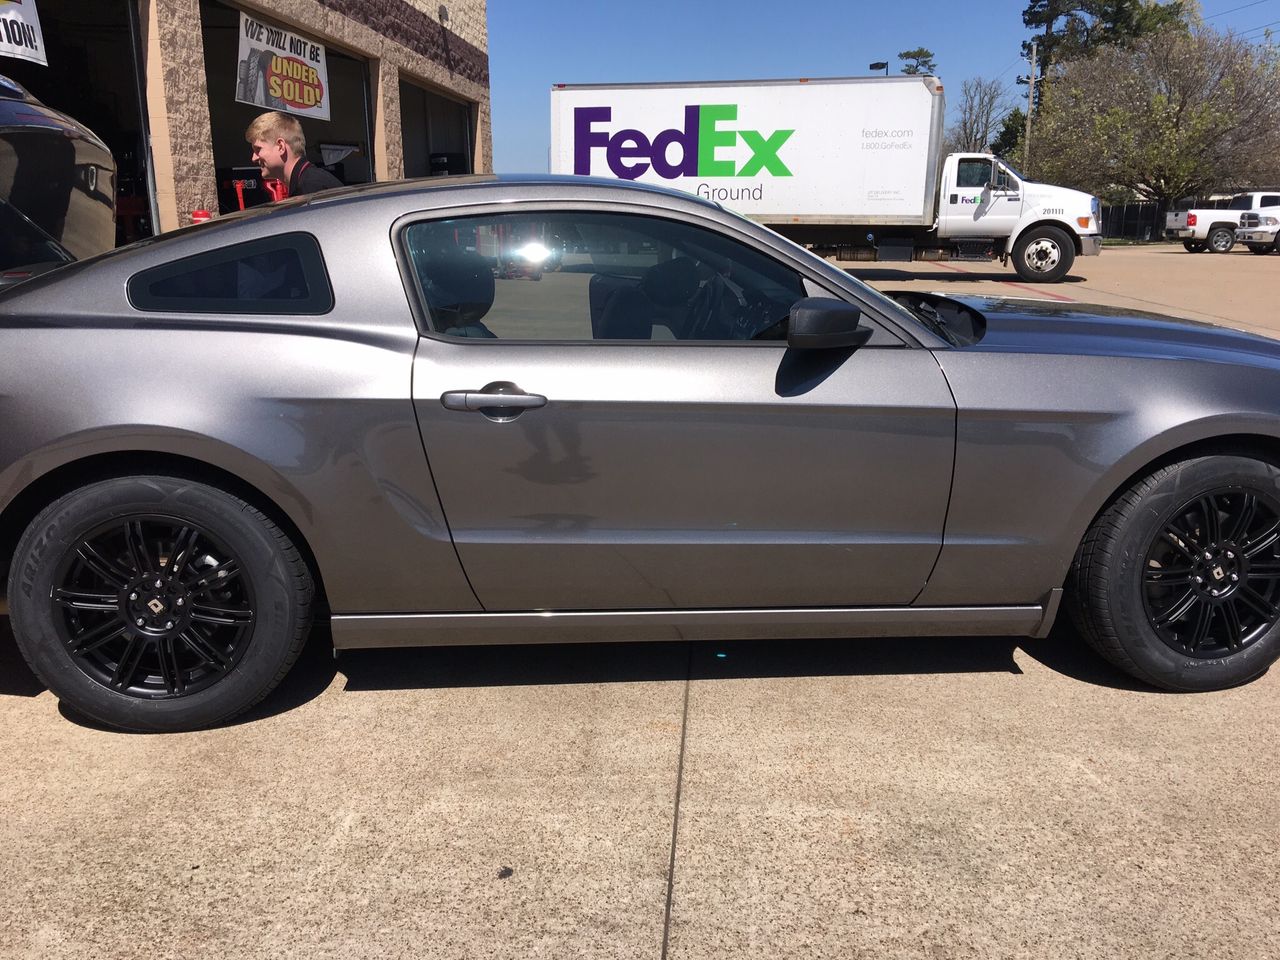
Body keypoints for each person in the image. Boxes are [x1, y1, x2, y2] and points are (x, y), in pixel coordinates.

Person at [244, 111, 343, 199]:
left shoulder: (310, 189)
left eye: (258, 149)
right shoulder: (310, 181)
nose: (254, 158)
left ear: (280, 147)